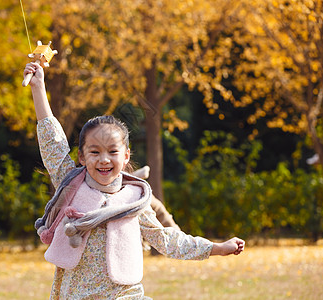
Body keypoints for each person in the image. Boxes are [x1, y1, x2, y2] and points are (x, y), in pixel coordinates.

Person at [24, 62, 245, 299]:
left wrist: (216, 248)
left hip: (125, 295)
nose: (104, 160)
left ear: (127, 155)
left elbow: (167, 240)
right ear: (81, 156)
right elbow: (53, 144)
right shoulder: (71, 184)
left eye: (112, 151)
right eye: (95, 152)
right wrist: (38, 87)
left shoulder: (135, 200)